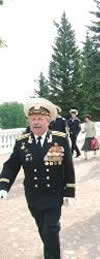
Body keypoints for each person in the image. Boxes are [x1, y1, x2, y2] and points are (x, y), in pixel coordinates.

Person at [0, 98, 75, 259]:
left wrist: (69, 191)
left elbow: (68, 166)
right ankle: (51, 239)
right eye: (33, 119)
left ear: (48, 121)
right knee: (43, 229)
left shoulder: (59, 139)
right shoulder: (22, 142)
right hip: (33, 195)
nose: (36, 122)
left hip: (54, 194)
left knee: (50, 230)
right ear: (29, 120)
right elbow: (11, 165)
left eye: (40, 118)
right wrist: (3, 186)